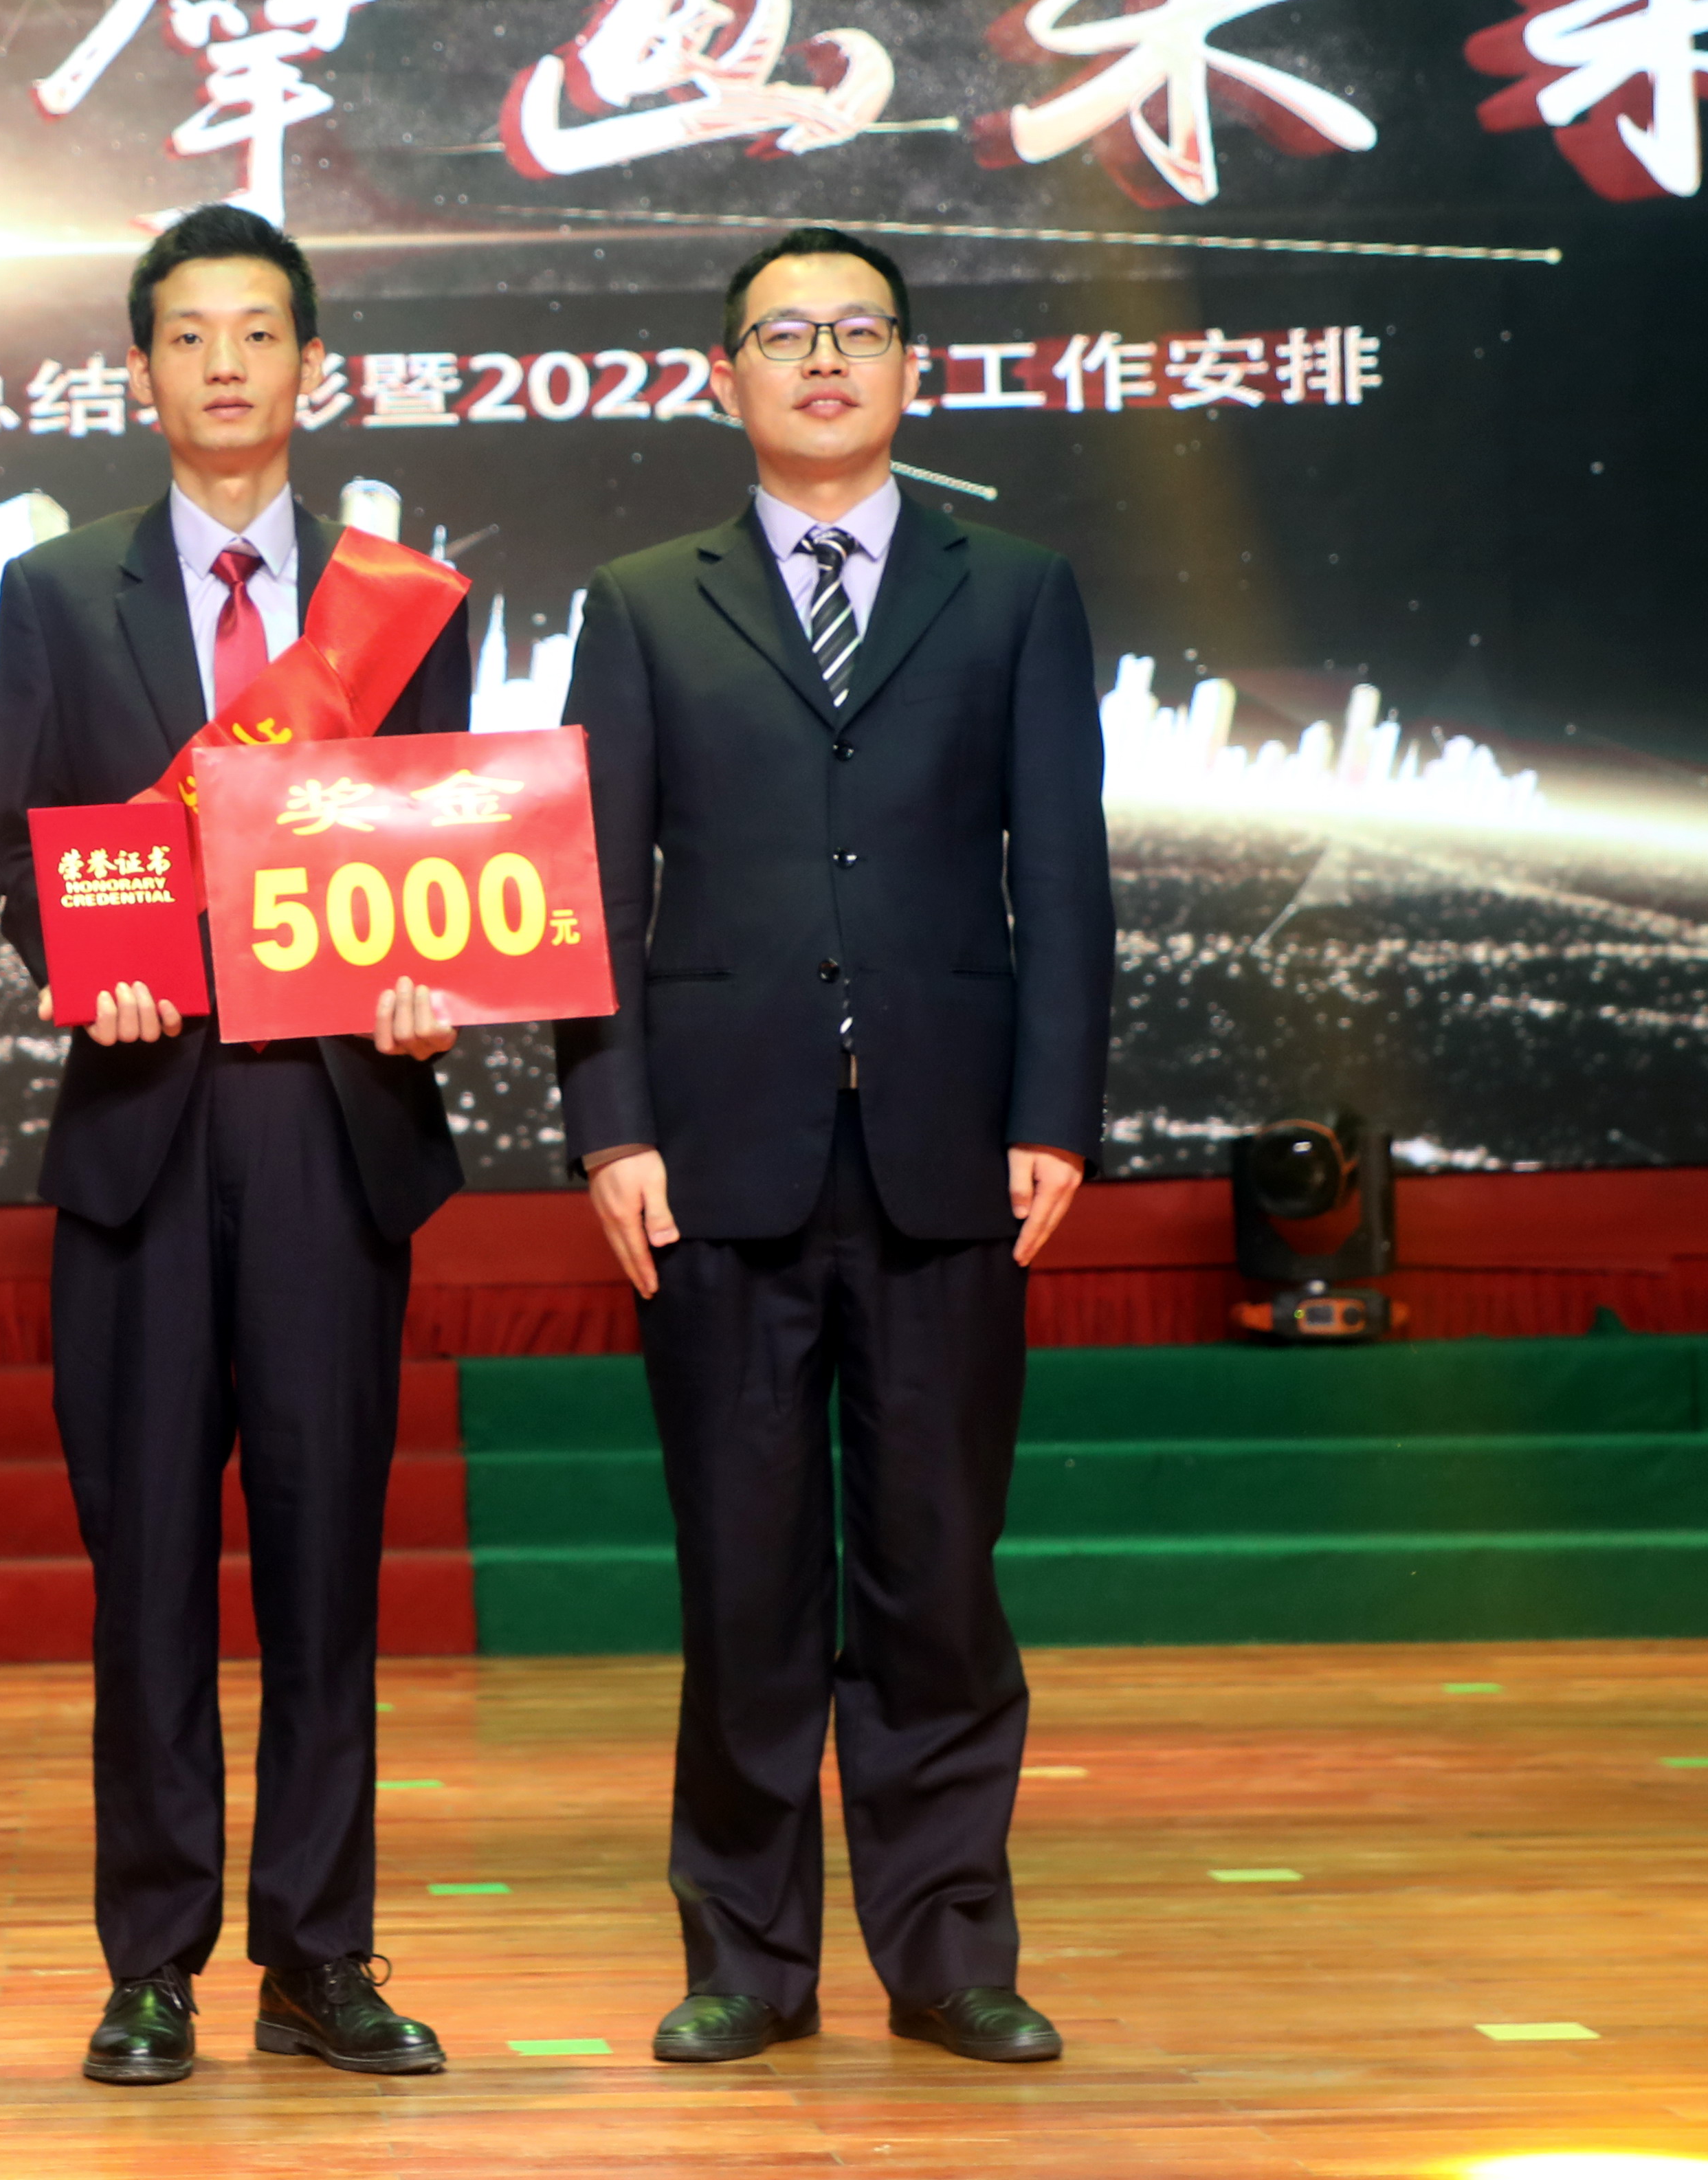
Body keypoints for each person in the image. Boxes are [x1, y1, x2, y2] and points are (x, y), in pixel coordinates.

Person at [553, 225, 1114, 2067]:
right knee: (744, 1574)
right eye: (783, 333)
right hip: (714, 1157)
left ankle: (949, 1951)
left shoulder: (1012, 590)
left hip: (950, 1147)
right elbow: (589, 886)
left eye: (857, 330)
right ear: (722, 377)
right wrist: (609, 1126)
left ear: (909, 371)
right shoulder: (644, 602)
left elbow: (1064, 874)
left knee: (937, 1573)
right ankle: (747, 1957)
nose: (821, 359)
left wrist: (1053, 1112)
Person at [0, 205, 472, 2087]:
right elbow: (25, 856)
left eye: (258, 331)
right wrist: (79, 970)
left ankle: (320, 1953)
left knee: (328, 1561)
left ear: (311, 366)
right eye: (188, 335)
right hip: (139, 1126)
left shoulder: (405, 601)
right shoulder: (57, 591)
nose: (225, 365)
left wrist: (428, 976)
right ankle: (151, 1960)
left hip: (338, 1122)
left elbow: (436, 847)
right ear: (140, 373)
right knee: (150, 1573)